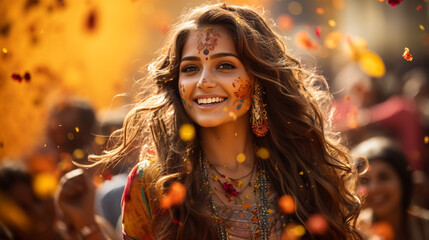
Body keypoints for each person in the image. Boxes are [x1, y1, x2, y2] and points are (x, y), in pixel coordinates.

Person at [85, 3, 361, 240]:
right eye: (190, 68)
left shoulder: (304, 171)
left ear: (258, 80)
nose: (204, 82)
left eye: (225, 66)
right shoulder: (152, 185)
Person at [353, 136, 429, 240]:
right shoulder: (354, 234)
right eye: (365, 181)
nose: (374, 188)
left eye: (383, 177)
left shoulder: (425, 227)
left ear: (403, 181)